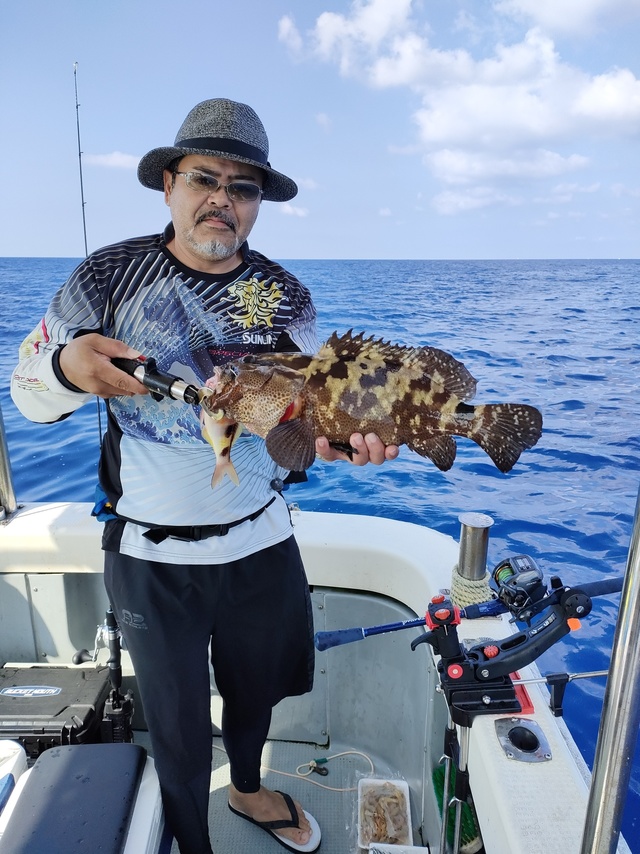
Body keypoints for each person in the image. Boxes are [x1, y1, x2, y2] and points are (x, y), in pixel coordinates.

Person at [11, 98, 398, 854]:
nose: (222, 197)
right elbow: (27, 392)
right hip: (154, 559)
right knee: (179, 724)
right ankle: (193, 840)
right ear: (169, 185)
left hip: (260, 544)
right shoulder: (108, 277)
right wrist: (65, 367)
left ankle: (249, 792)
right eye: (204, 178)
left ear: (257, 206)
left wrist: (342, 441)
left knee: (256, 698)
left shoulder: (286, 296)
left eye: (243, 186)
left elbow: (312, 412)